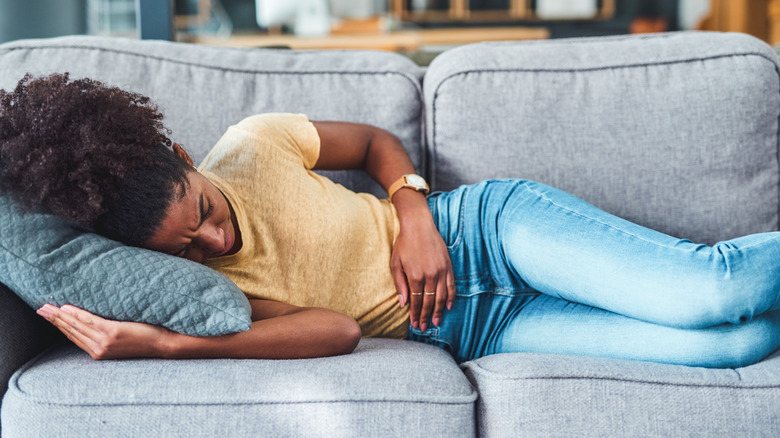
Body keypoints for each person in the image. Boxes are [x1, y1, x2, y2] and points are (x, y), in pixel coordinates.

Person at [2, 73, 780, 368]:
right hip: (476, 331)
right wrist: (169, 344)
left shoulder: (254, 144)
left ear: (181, 152)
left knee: (706, 296)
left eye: (203, 212)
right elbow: (337, 332)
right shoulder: (194, 289)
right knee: (736, 343)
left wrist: (413, 213)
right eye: (190, 245)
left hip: (485, 231)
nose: (216, 240)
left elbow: (374, 143)